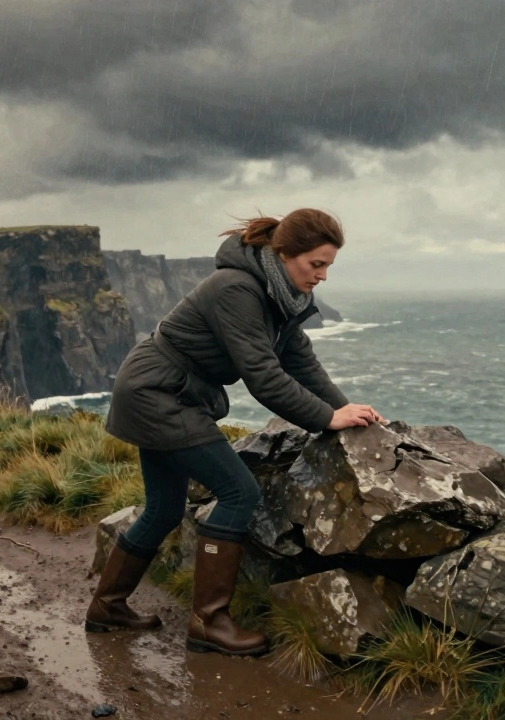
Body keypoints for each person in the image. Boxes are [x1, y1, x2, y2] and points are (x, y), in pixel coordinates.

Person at [89, 209, 384, 657]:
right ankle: (208, 623)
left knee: (165, 509)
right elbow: (264, 377)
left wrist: (345, 410)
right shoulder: (238, 289)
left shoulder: (281, 295)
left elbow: (301, 363)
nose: (322, 275)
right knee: (238, 492)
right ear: (284, 254)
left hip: (167, 391)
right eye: (316, 264)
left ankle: (106, 607)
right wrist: (325, 418)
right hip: (158, 394)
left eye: (328, 266)